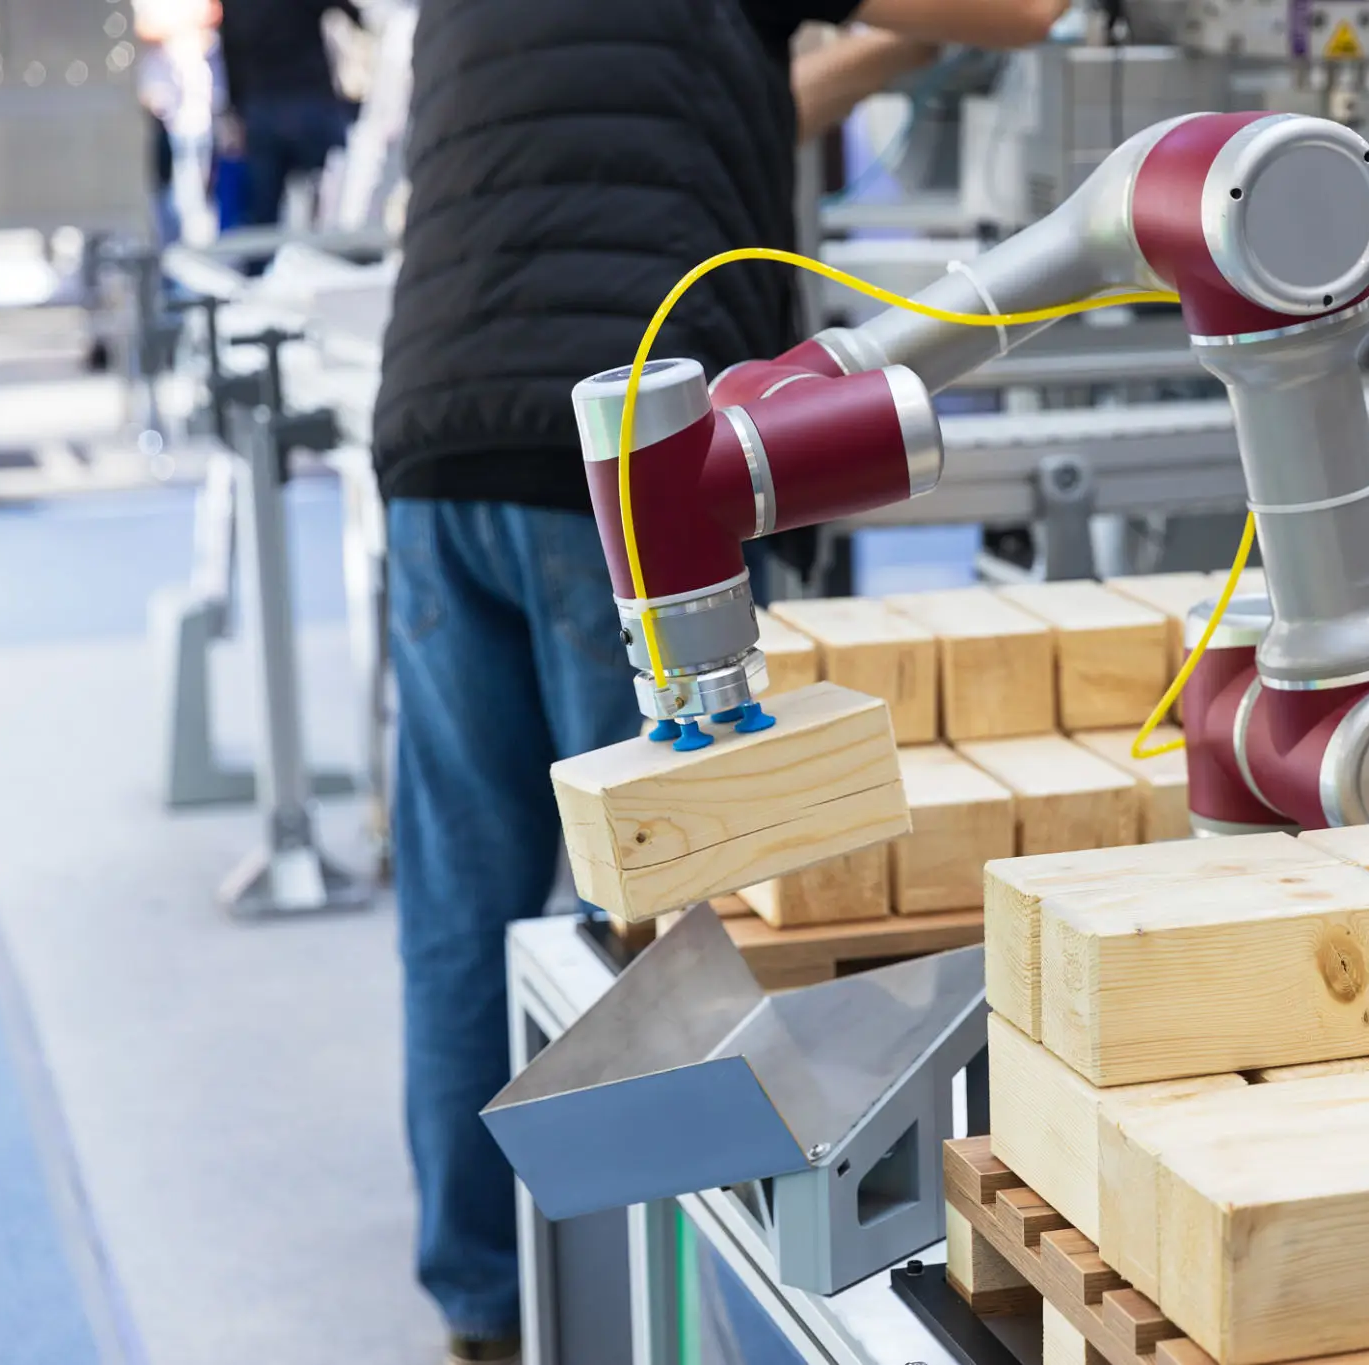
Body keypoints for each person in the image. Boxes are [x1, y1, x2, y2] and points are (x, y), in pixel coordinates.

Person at [370, 3, 1070, 1361]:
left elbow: (714, 97)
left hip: (437, 438)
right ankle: (678, 1316)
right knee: (681, 913)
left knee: (464, 895)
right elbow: (1025, 9)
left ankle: (484, 1297)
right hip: (621, 452)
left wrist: (892, 54)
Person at [217, 0, 360, 227]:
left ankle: (266, 261)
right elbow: (351, 12)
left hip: (262, 107)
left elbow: (229, 52)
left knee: (264, 215)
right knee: (325, 204)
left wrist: (235, 111)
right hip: (307, 103)